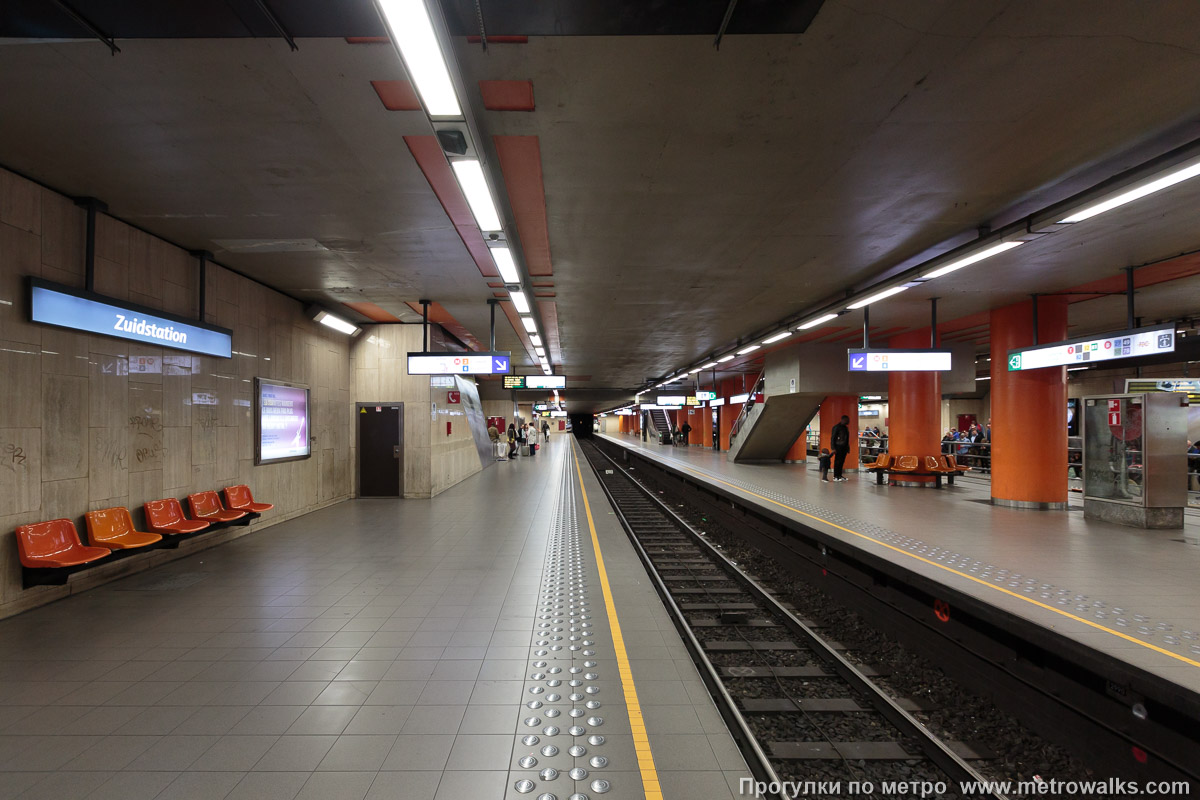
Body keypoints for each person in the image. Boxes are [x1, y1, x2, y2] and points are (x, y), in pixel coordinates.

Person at [830, 414, 851, 482]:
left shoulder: (845, 428)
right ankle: (836, 476)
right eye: (847, 420)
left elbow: (847, 439)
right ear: (843, 420)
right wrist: (833, 448)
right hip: (838, 446)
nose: (848, 421)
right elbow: (833, 438)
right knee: (837, 461)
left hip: (844, 447)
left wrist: (847, 447)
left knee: (842, 461)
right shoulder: (836, 427)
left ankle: (839, 475)